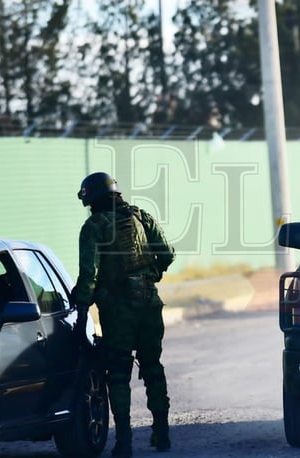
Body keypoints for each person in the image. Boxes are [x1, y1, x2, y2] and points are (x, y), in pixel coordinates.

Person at [72, 172, 175, 457]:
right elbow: (166, 253)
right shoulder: (142, 216)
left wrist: (82, 305)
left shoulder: (94, 226)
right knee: (152, 366)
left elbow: (88, 273)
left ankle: (125, 442)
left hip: (118, 310)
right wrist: (151, 273)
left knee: (118, 374)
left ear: (90, 198)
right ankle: (162, 433)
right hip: (150, 304)